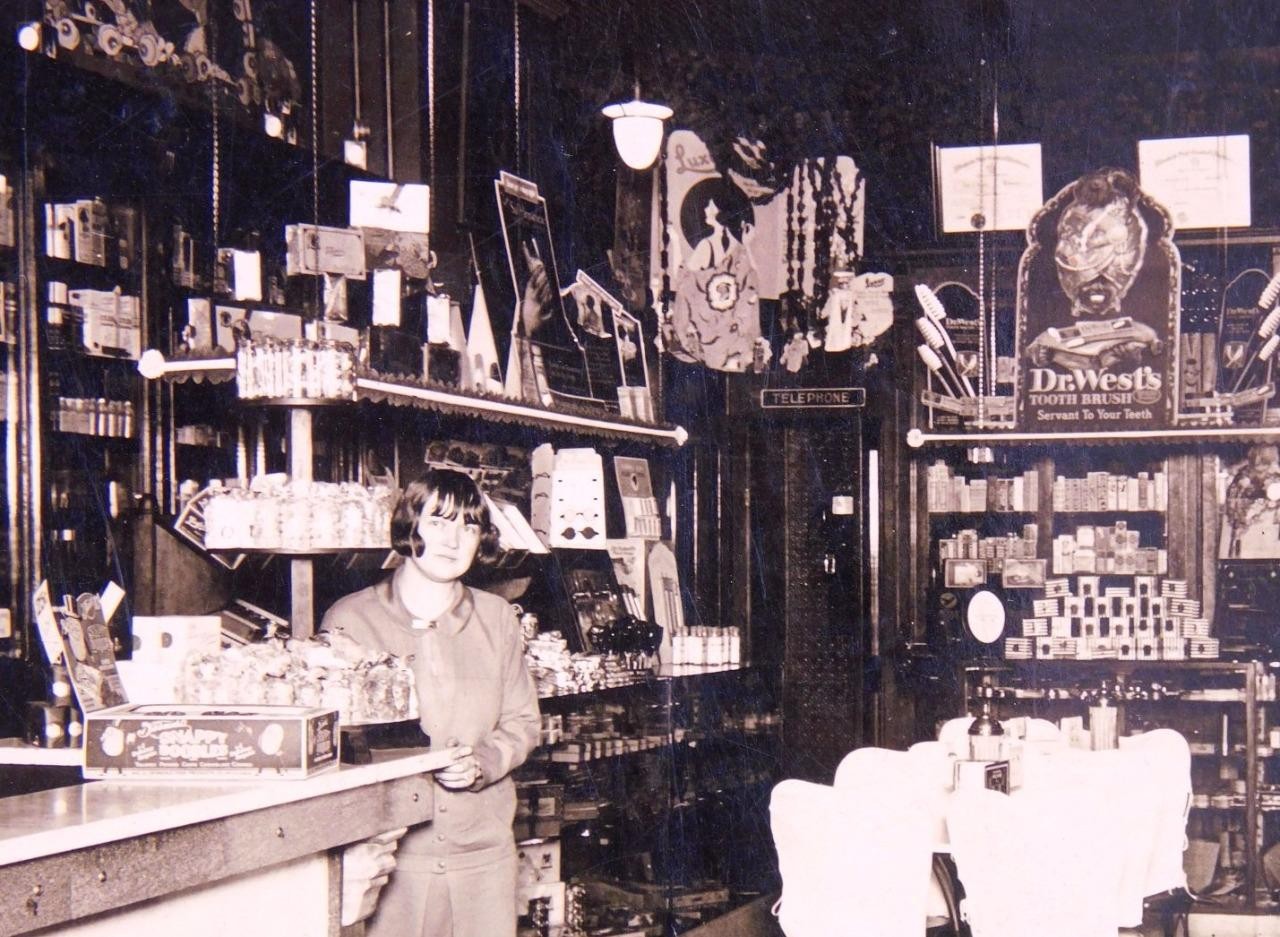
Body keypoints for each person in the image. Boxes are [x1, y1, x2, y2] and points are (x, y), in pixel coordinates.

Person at [322, 468, 541, 937]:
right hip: (389, 866)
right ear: (409, 525)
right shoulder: (350, 620)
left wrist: (484, 761)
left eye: (469, 526)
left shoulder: (497, 618)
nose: (453, 539)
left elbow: (523, 722)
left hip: (483, 862)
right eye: (438, 521)